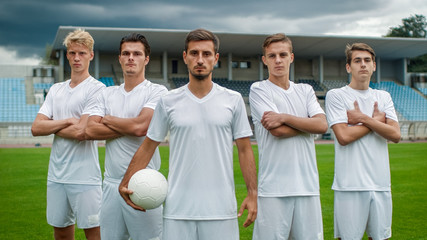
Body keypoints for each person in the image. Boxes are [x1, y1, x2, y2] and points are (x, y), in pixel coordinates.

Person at [118, 28, 258, 240]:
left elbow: (245, 149)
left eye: (206, 54)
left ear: (216, 58)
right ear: (185, 57)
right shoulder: (168, 101)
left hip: (221, 209)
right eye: (194, 53)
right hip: (178, 210)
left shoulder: (233, 99)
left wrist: (252, 194)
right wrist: (126, 181)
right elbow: (148, 145)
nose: (200, 59)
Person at [85, 33, 168, 240]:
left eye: (137, 53)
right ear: (120, 58)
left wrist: (108, 119)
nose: (131, 57)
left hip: (144, 182)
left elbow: (141, 128)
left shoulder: (157, 91)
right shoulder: (106, 93)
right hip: (111, 183)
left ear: (146, 59)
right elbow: (89, 130)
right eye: (126, 53)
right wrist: (130, 124)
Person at [249, 33, 328, 239]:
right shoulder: (259, 89)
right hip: (274, 189)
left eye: (282, 55)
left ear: (291, 57)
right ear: (264, 60)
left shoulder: (305, 90)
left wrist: (284, 116)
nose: (278, 60)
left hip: (307, 187)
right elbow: (277, 131)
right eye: (272, 55)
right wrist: (307, 124)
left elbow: (322, 125)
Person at [31, 29, 104, 240]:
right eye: (72, 53)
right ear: (67, 55)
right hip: (56, 175)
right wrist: (67, 121)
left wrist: (52, 125)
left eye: (81, 53)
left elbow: (83, 131)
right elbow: (36, 128)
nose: (76, 58)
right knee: (61, 233)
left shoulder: (96, 89)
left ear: (91, 54)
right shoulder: (56, 89)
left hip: (85, 177)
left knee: (94, 234)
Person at [325, 43, 401, 240]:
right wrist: (376, 122)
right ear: (348, 67)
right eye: (357, 61)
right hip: (350, 185)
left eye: (367, 60)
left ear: (374, 66)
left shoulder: (383, 96)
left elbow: (395, 135)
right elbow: (344, 137)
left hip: (380, 183)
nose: (363, 65)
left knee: (381, 237)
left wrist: (364, 119)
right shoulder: (337, 95)